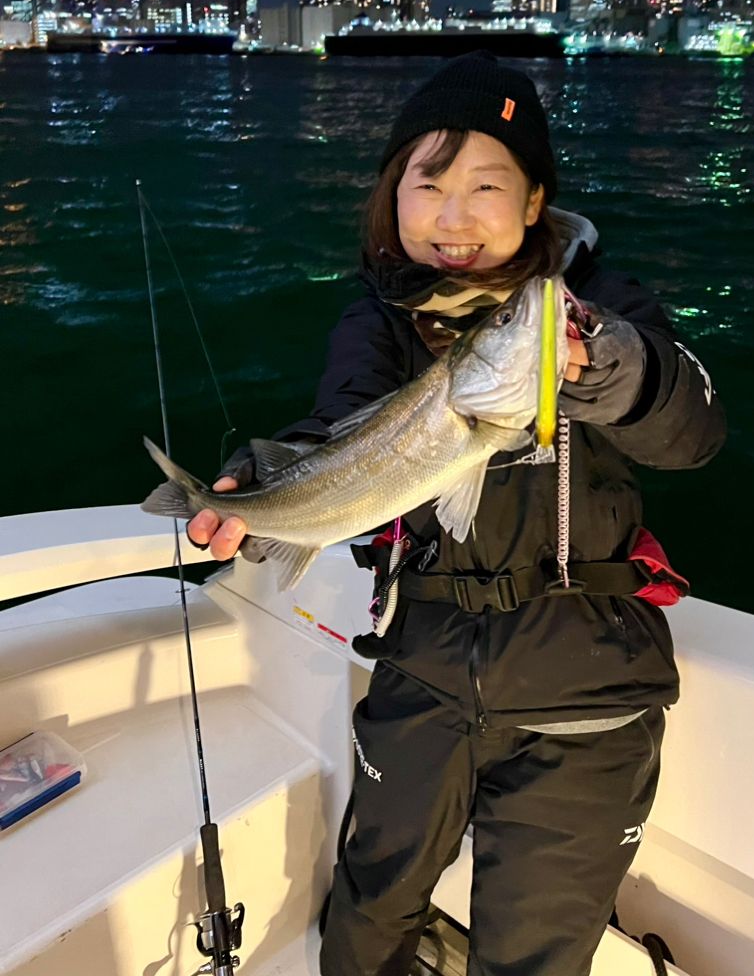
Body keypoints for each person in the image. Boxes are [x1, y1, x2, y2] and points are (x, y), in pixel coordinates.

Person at [187, 52, 726, 976]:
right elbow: (338, 421)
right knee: (368, 910)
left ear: (533, 203)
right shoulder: (379, 322)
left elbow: (695, 427)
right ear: (391, 199)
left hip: (589, 691)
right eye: (425, 182)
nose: (452, 213)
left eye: (487, 184)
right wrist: (259, 483)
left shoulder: (593, 311)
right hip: (422, 673)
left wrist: (623, 369)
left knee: (535, 951)